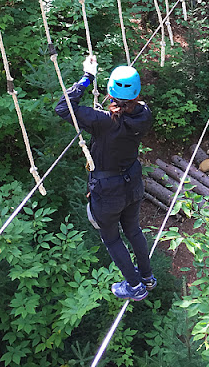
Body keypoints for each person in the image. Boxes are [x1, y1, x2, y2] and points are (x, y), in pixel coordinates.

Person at [55, 56, 156, 301]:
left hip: (108, 190)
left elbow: (63, 107)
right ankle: (147, 277)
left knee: (111, 238)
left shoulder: (102, 121)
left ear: (111, 92)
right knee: (133, 230)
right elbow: (131, 108)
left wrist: (87, 77)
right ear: (137, 92)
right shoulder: (144, 115)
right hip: (132, 183)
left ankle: (134, 286)